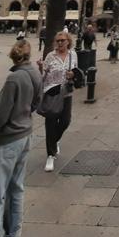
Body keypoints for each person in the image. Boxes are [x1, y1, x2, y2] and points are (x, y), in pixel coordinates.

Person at [0, 39, 42, 237]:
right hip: (25, 134)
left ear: (12, 56)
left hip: (9, 140)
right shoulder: (35, 73)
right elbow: (36, 103)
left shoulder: (14, 79)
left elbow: (1, 116)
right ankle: (14, 233)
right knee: (16, 189)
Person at [38, 31, 78, 171]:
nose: (60, 43)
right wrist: (39, 67)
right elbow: (43, 75)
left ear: (68, 41)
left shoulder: (73, 55)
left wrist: (72, 74)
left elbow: (76, 72)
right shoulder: (50, 56)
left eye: (63, 40)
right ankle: (50, 155)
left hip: (66, 93)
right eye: (58, 40)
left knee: (66, 121)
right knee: (51, 123)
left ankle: (54, 141)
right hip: (51, 92)